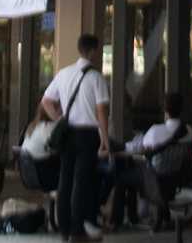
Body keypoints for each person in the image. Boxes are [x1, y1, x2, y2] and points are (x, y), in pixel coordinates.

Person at [37, 33, 111, 241]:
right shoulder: (97, 78)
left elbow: (46, 101)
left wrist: (59, 118)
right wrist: (105, 140)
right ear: (94, 51)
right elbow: (101, 113)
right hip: (88, 135)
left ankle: (64, 230)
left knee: (65, 181)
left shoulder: (63, 74)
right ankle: (77, 231)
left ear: (79, 49)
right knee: (81, 182)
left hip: (68, 133)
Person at [105, 91, 192, 228]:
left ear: (165, 109)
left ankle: (116, 221)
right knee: (132, 173)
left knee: (122, 179)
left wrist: (117, 145)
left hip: (153, 178)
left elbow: (136, 148)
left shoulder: (156, 131)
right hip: (175, 178)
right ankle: (135, 216)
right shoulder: (188, 131)